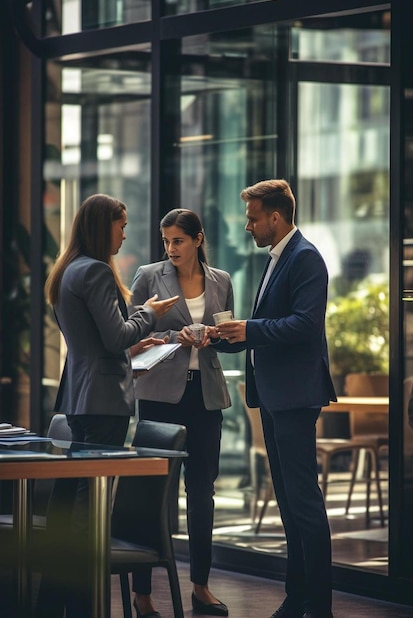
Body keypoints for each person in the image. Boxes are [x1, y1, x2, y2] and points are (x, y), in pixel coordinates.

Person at [40, 193, 178, 618]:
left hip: (79, 398)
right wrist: (149, 313)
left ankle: (53, 602)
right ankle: (84, 603)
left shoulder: (66, 272)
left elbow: (97, 341)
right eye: (121, 225)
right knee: (90, 508)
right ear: (104, 227)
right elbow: (116, 337)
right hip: (104, 404)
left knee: (70, 506)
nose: (124, 233)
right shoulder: (97, 271)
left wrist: (132, 339)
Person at [215, 179, 337, 618]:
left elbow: (304, 325)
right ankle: (297, 597)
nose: (247, 226)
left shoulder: (305, 259)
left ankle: (317, 604)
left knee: (303, 500)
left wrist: (248, 329)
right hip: (273, 396)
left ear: (276, 217)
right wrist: (217, 338)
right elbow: (267, 328)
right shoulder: (278, 258)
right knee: (288, 500)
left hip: (293, 398)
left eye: (252, 218)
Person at [129, 208, 233, 618]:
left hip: (205, 396)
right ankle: (142, 594)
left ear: (198, 239)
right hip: (158, 396)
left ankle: (201, 586)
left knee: (202, 492)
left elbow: (228, 335)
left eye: (179, 240)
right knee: (152, 492)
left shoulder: (221, 281)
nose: (171, 248)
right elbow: (132, 332)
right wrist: (177, 335)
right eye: (166, 240)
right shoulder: (148, 276)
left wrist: (214, 336)